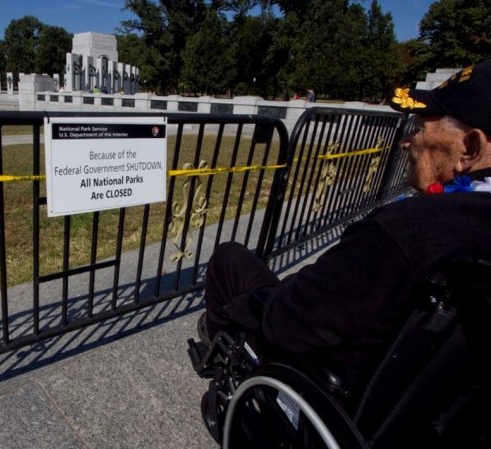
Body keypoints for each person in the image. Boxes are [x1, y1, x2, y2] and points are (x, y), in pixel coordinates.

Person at [200, 59, 491, 397]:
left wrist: (279, 295)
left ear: (469, 148)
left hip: (330, 384)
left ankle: (222, 365)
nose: (406, 141)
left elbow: (290, 322)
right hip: (413, 392)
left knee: (229, 259)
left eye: (420, 127)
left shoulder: (404, 232)